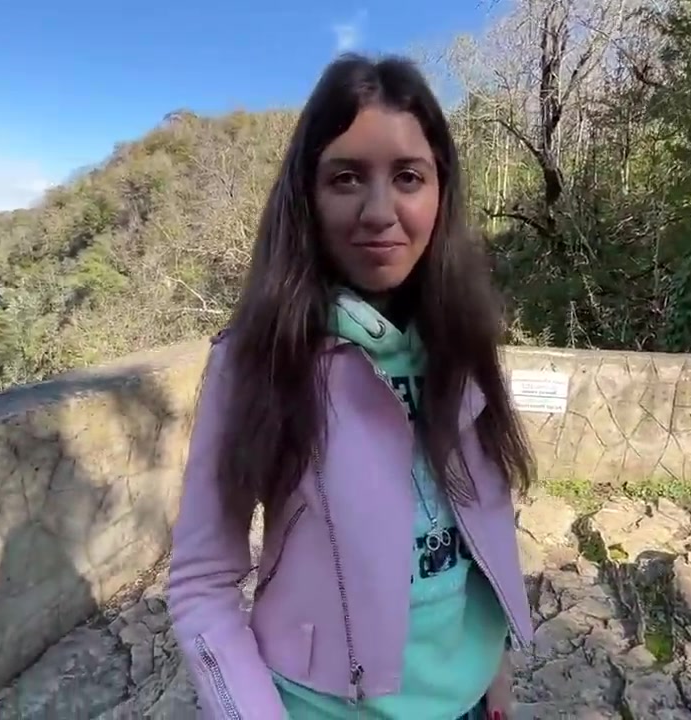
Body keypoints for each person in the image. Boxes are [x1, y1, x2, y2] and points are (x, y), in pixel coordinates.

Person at [166, 53, 535, 720]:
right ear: (307, 196)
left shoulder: (463, 342)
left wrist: (495, 666)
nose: (379, 211)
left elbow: (482, 526)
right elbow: (202, 585)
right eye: (346, 177)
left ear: (441, 191)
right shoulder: (257, 359)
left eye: (408, 177)